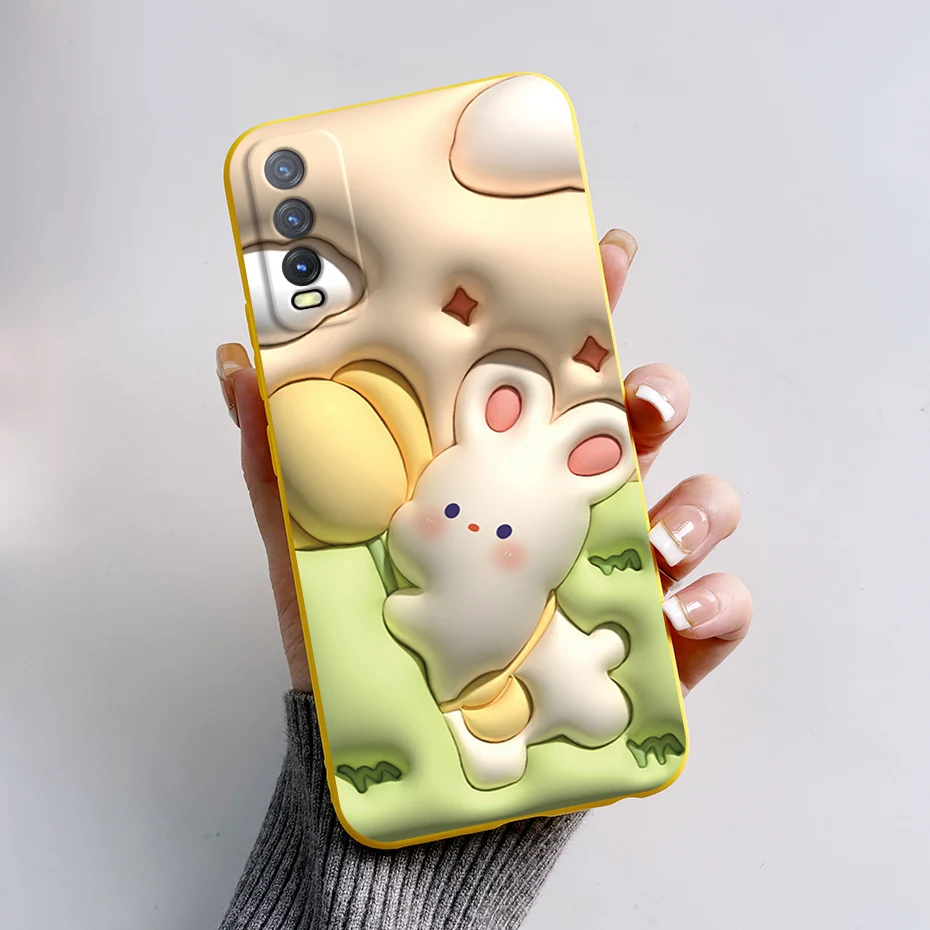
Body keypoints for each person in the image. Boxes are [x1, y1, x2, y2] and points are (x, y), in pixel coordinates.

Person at [214, 231, 753, 930]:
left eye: (498, 534)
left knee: (583, 694)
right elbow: (411, 588)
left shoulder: (494, 548)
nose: (464, 528)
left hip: (526, 671)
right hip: (476, 698)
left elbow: (416, 602)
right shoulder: (419, 556)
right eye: (451, 514)